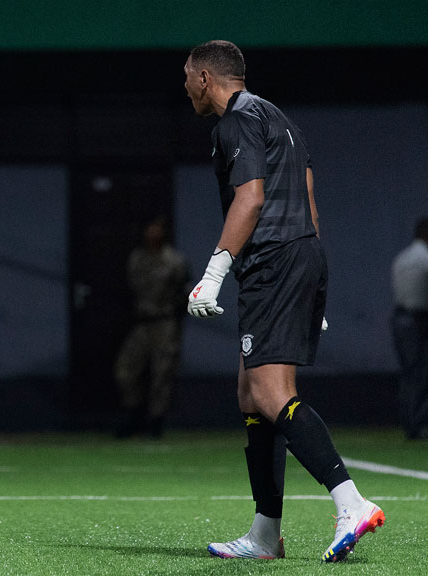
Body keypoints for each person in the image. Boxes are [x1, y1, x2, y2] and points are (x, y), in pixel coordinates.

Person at [182, 40, 383, 563]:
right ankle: (266, 534)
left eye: (187, 77)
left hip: (272, 260)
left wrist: (214, 271)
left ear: (205, 77)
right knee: (251, 395)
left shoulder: (234, 123)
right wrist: (313, 288)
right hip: (300, 257)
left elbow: (250, 198)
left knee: (271, 394)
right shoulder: (280, 118)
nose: (184, 87)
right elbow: (309, 202)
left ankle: (349, 501)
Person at [114, 216, 190, 438]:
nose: (152, 233)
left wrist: (178, 318)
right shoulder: (137, 259)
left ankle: (156, 421)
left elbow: (185, 291)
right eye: (149, 228)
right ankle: (132, 414)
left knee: (162, 373)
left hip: (165, 322)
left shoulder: (174, 260)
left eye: (157, 228)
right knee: (125, 370)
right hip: (143, 323)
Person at [391, 219, 428, 440]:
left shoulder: (401, 259)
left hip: (400, 318)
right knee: (421, 373)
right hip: (420, 320)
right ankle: (419, 424)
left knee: (407, 373)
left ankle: (407, 422)